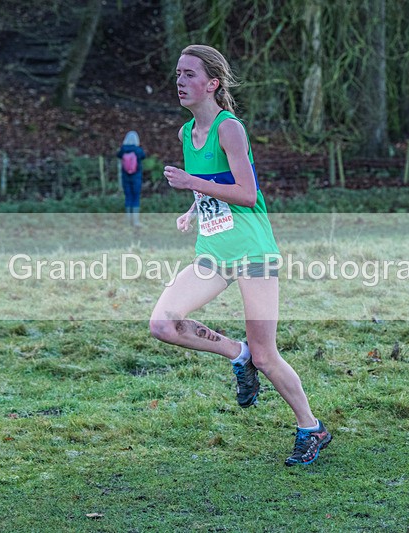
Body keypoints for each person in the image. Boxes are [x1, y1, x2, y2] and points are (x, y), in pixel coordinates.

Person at [149, 44, 331, 466]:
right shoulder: (185, 133)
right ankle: (237, 353)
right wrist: (192, 208)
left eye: (190, 74)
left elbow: (246, 194)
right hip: (213, 251)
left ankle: (311, 427)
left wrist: (192, 182)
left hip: (252, 252)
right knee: (162, 323)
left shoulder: (230, 128)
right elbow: (213, 184)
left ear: (212, 83)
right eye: (177, 73)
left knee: (268, 354)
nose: (180, 81)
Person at [116, 130, 146, 227]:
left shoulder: (123, 149)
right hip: (136, 178)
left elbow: (118, 155)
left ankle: (128, 221)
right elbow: (143, 156)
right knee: (135, 198)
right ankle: (136, 221)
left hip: (125, 178)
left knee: (128, 197)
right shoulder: (138, 150)